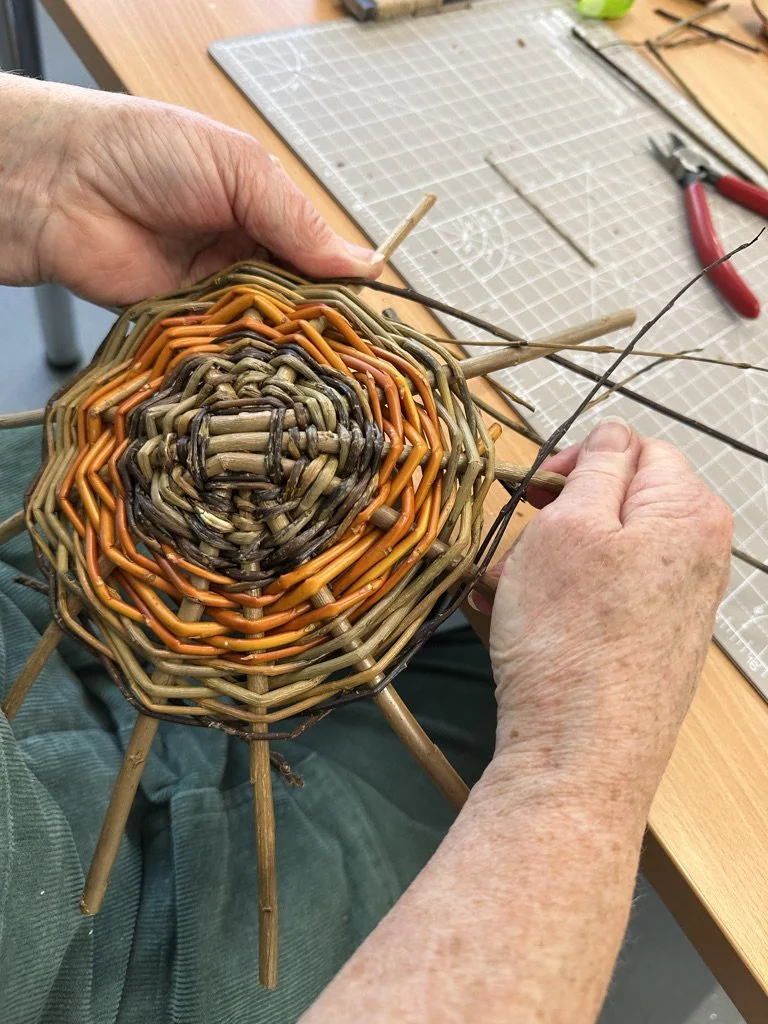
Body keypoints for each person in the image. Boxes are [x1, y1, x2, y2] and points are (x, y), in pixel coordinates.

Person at [0, 72, 732, 1024]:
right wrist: (579, 765)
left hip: (81, 526)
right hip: (102, 939)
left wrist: (41, 165)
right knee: (538, 635)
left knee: (519, 561)